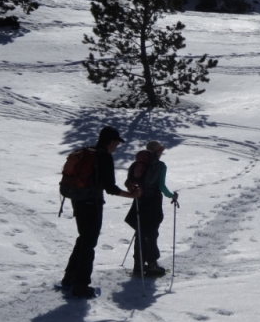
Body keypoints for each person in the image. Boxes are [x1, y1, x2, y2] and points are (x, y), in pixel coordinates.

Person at [62, 126, 141, 298]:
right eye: (116, 143)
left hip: (78, 199)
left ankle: (69, 279)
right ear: (111, 141)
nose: (117, 147)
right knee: (89, 243)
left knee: (83, 238)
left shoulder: (87, 152)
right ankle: (81, 286)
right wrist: (131, 195)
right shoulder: (104, 157)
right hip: (92, 203)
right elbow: (110, 187)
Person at [125, 141, 178, 277]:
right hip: (153, 203)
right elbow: (161, 186)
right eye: (160, 151)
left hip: (138, 201)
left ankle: (138, 265)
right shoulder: (160, 166)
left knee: (140, 233)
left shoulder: (136, 165)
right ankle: (152, 265)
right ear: (157, 152)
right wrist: (171, 196)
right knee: (152, 233)